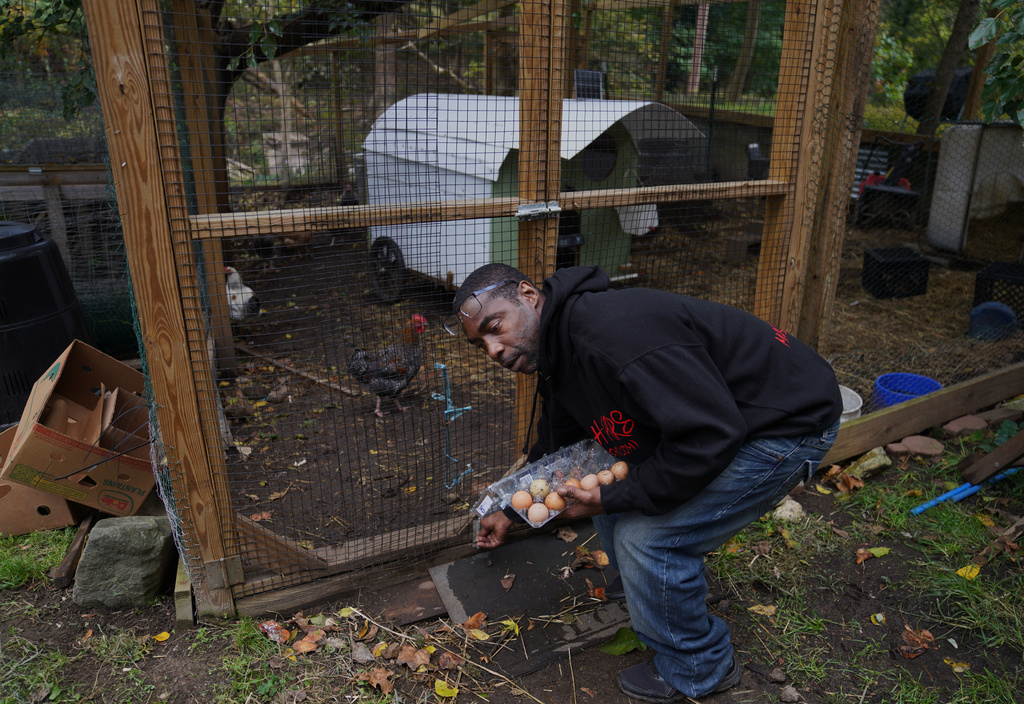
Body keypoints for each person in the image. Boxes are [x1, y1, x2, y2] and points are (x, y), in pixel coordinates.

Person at [445, 263, 842, 703]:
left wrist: (614, 497)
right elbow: (559, 439)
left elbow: (710, 434)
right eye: (480, 343)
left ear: (528, 294)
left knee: (647, 539)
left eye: (495, 327)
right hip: (725, 418)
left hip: (784, 424)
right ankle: (652, 588)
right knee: (617, 481)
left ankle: (700, 666)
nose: (493, 350)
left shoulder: (612, 336)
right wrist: (508, 507)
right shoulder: (560, 346)